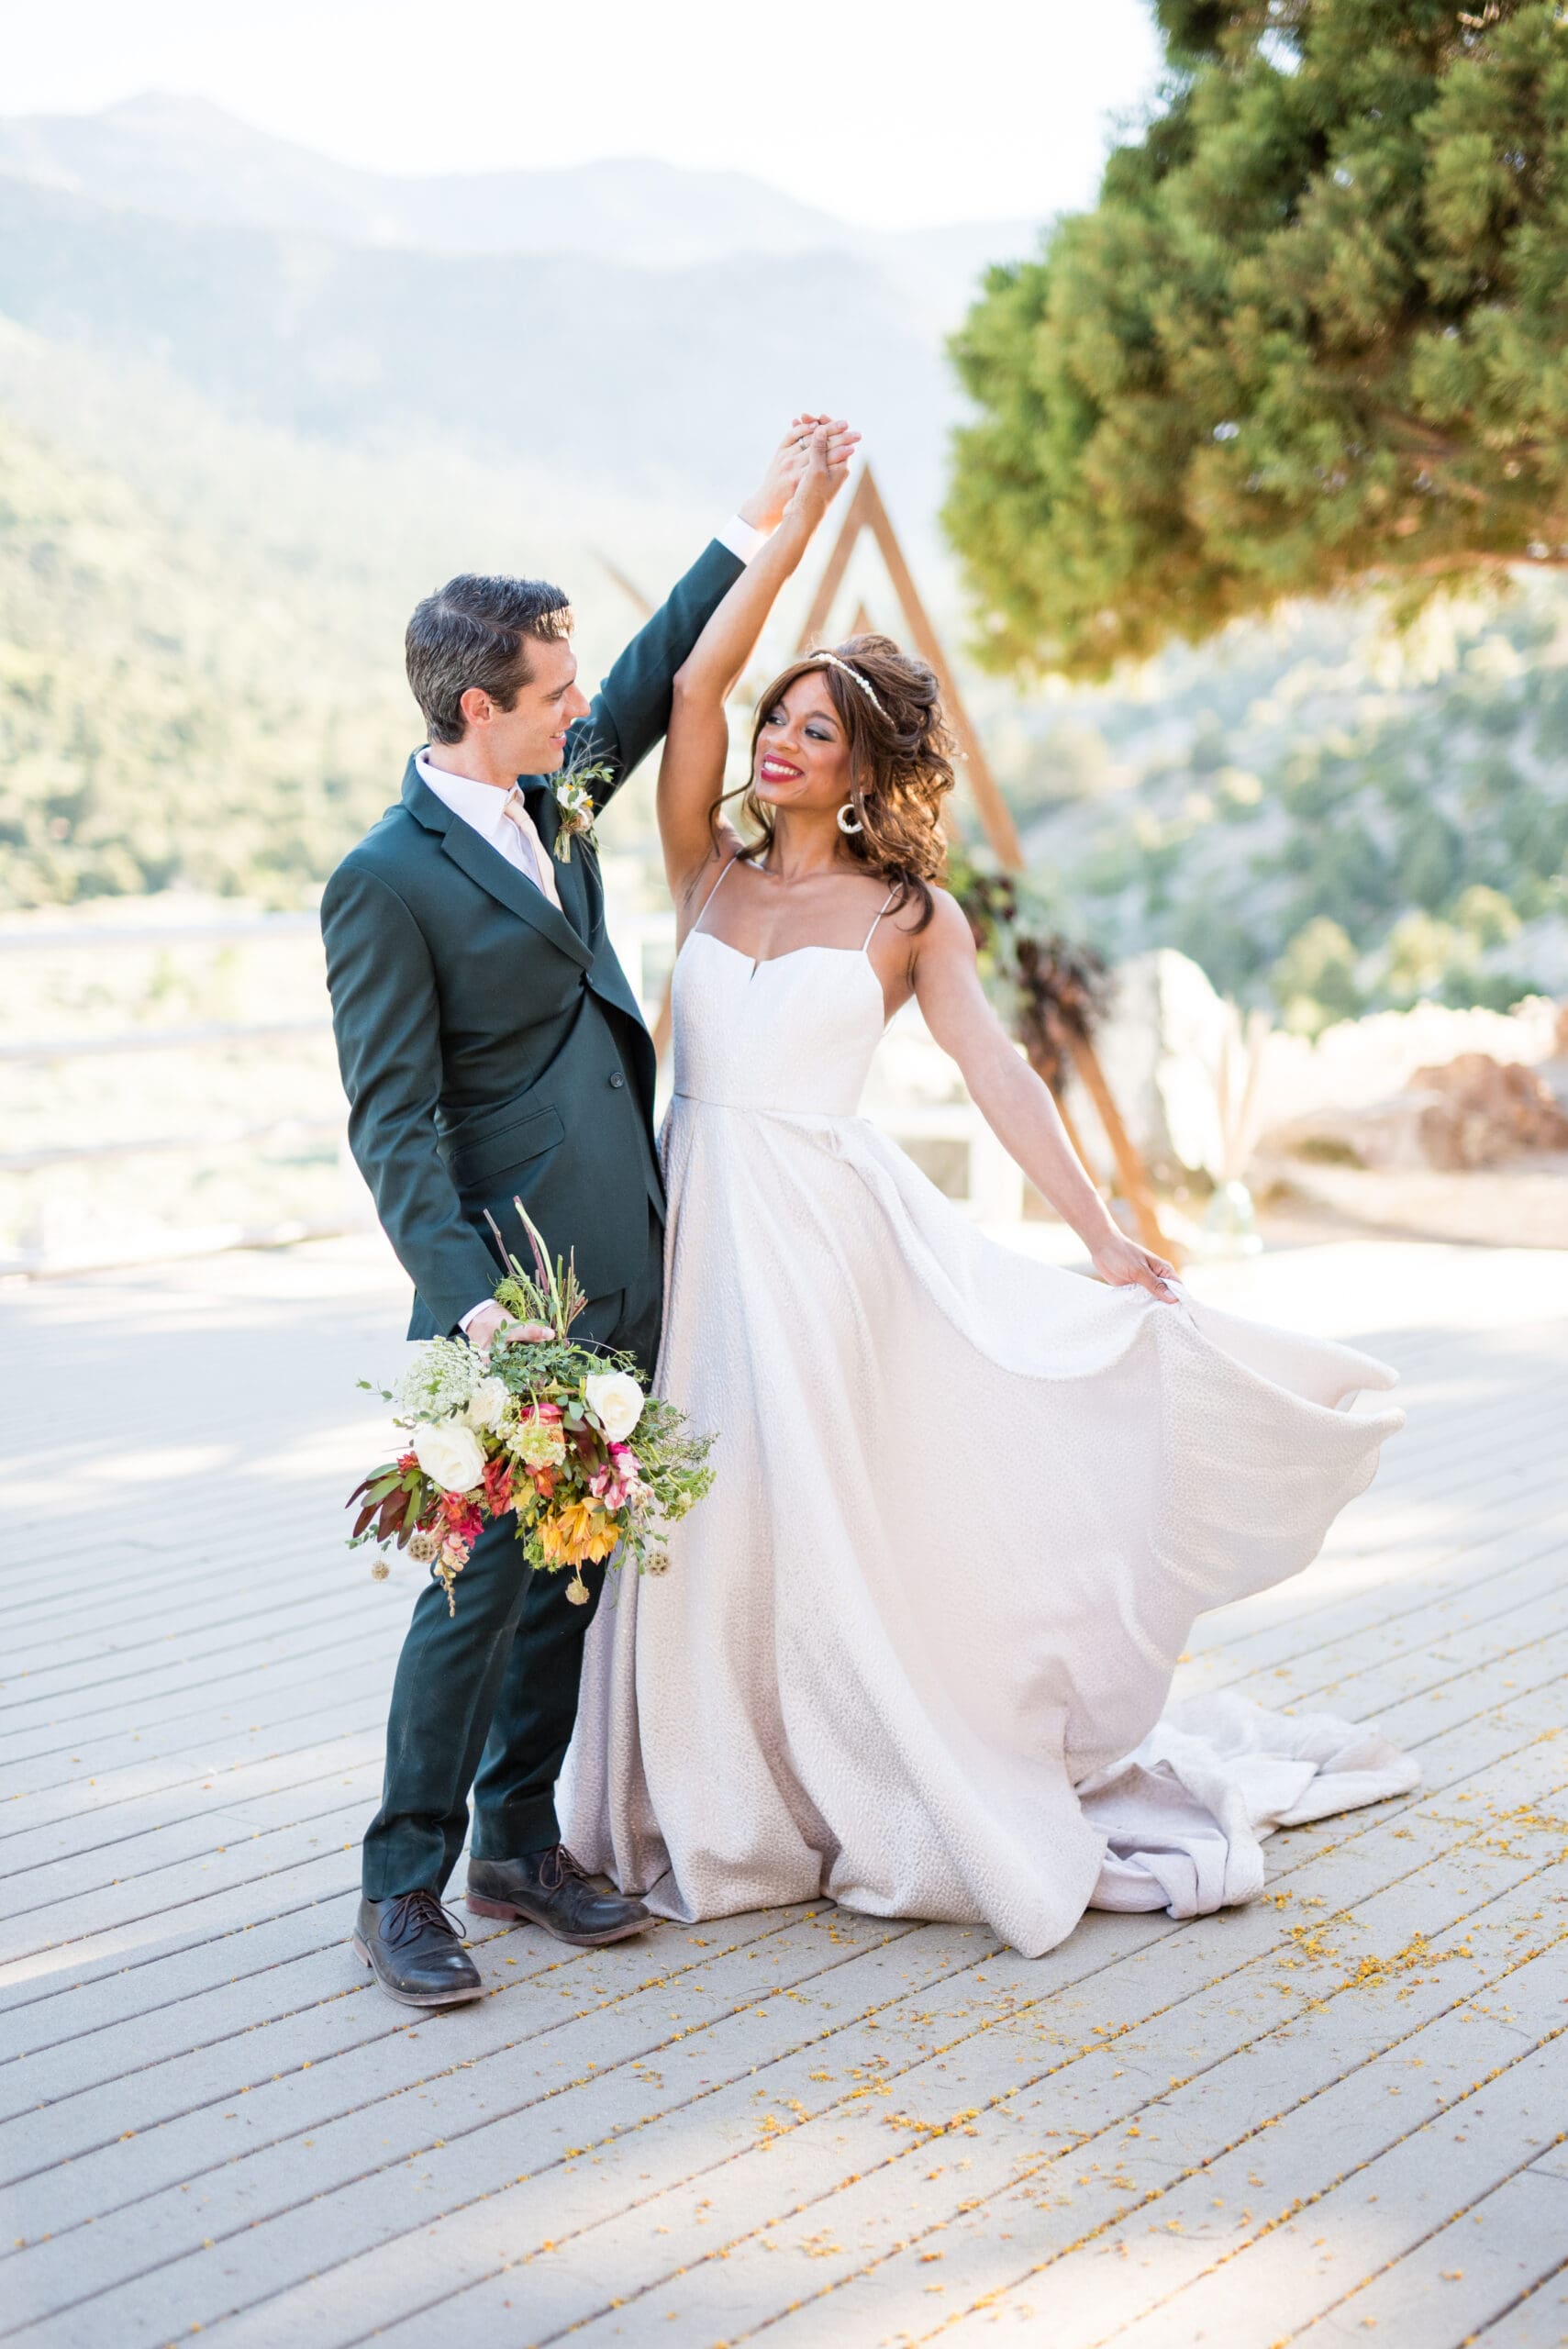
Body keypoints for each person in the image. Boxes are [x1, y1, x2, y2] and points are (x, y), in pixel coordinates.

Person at [560, 429, 1413, 1958]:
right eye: (782, 721)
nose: (779, 746)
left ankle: (848, 1772)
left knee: (802, 1499)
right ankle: (707, 1787)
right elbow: (689, 687)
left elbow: (999, 1076)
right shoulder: (707, 868)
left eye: (817, 735)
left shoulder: (907, 912)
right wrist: (794, 520)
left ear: (867, 767)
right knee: (706, 1502)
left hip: (824, 1243)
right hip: (696, 1221)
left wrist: (1097, 1231)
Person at [321, 418, 860, 2007]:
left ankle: (518, 1842)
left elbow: (640, 684)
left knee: (575, 1566)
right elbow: (392, 1118)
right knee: (475, 1586)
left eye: (568, 693)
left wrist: (756, 518)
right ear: (475, 709)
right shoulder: (384, 878)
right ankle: (401, 1883)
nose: (576, 712)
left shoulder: (555, 795)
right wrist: (471, 1292)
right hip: (505, 1294)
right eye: (547, 696)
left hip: (631, 1249)